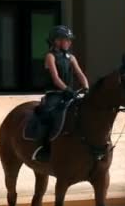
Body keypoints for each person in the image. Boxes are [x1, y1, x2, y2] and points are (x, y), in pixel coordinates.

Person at [32, 25, 89, 162]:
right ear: (56, 41)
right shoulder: (50, 56)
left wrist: (86, 86)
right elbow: (55, 78)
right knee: (48, 115)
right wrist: (67, 89)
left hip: (68, 94)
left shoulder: (71, 57)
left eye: (70, 40)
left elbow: (80, 73)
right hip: (55, 94)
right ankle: (43, 148)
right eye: (66, 39)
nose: (69, 42)